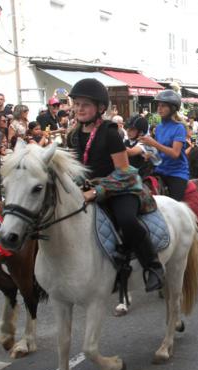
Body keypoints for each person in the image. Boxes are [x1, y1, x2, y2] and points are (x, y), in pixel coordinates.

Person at [66, 78, 164, 292]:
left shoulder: (110, 133)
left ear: (100, 108)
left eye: (85, 105)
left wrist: (96, 191)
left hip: (119, 188)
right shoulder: (72, 135)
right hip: (86, 189)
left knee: (126, 220)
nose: (79, 109)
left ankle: (153, 265)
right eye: (77, 104)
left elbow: (124, 172)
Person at [139, 90, 189, 201]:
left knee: (175, 208)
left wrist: (154, 143)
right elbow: (159, 153)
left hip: (176, 174)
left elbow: (175, 154)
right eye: (158, 105)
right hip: (160, 171)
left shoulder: (179, 128)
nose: (159, 109)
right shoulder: (159, 127)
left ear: (173, 108)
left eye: (163, 106)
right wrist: (150, 154)